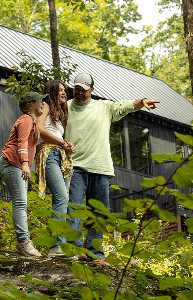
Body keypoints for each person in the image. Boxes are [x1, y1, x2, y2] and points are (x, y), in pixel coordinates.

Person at [65, 73, 159, 261]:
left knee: (99, 212)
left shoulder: (103, 107)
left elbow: (124, 106)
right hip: (75, 167)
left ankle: (95, 252)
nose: (79, 92)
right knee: (73, 208)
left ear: (92, 89)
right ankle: (75, 250)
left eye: (83, 89)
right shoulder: (65, 107)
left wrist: (141, 102)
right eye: (76, 89)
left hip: (100, 168)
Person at [0, 91, 48, 257]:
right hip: (12, 164)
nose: (43, 103)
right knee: (20, 202)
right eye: (40, 101)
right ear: (30, 104)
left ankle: (21, 243)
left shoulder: (31, 122)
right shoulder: (26, 120)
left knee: (22, 203)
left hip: (17, 165)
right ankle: (24, 242)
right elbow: (22, 143)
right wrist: (25, 164)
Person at [35, 80, 75, 257]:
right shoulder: (45, 105)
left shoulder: (61, 113)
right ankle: (56, 246)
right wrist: (62, 142)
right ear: (52, 92)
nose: (64, 93)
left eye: (65, 90)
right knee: (61, 197)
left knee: (64, 201)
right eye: (60, 90)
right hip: (49, 154)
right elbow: (39, 129)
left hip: (61, 156)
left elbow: (58, 136)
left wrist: (67, 146)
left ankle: (60, 245)